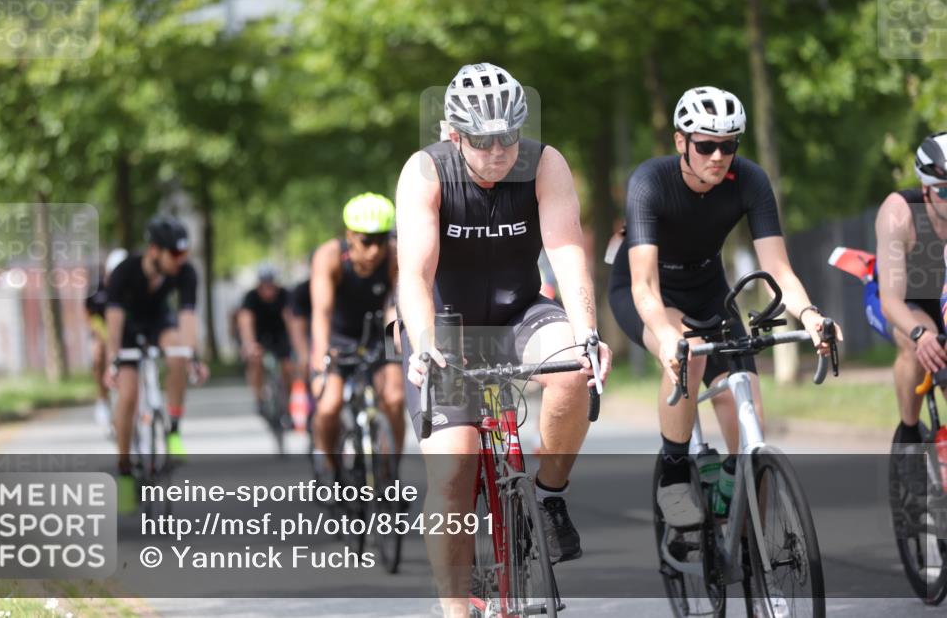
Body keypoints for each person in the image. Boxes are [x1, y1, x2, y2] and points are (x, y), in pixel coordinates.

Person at [396, 62, 611, 616]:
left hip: (519, 312)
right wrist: (424, 341)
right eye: (483, 140)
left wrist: (588, 331)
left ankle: (549, 495)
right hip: (445, 326)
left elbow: (566, 252)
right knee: (452, 467)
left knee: (573, 368)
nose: (498, 152)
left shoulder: (545, 163)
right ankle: (455, 609)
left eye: (508, 137)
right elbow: (415, 275)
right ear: (452, 133)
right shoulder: (426, 171)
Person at [607, 86, 840, 528]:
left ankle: (738, 502)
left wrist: (810, 315)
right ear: (681, 142)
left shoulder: (750, 180)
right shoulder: (650, 182)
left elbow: (778, 270)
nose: (718, 156)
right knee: (688, 355)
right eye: (706, 145)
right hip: (648, 290)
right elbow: (644, 284)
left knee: (746, 407)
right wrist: (667, 332)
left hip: (709, 290)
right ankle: (674, 475)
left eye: (728, 145)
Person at [104, 216, 208, 510]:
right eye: (174, 254)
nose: (181, 260)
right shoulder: (125, 272)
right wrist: (113, 361)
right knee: (127, 396)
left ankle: (173, 429)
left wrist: (193, 357)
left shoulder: (185, 273)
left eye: (184, 253)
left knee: (178, 352)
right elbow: (113, 323)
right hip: (127, 329)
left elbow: (187, 320)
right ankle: (125, 471)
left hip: (159, 323)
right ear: (154, 251)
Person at [309, 193, 405, 474]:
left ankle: (391, 469)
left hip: (378, 336)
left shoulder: (394, 255)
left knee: (395, 398)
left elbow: (396, 306)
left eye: (381, 239)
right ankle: (331, 466)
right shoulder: (329, 257)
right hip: (338, 339)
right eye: (367, 241)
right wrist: (319, 362)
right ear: (350, 235)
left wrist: (397, 347)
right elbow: (322, 312)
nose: (375, 250)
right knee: (329, 407)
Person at [873, 131, 947, 448]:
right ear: (925, 190)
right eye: (945, 191)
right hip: (901, 301)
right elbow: (890, 300)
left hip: (941, 297)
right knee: (923, 347)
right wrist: (920, 335)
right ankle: (909, 434)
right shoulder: (899, 213)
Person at [237, 264, 297, 425]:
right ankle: (259, 399)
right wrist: (249, 344)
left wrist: (295, 344)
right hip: (259, 334)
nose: (268, 290)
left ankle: (287, 404)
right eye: (265, 286)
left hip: (280, 333)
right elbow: (245, 320)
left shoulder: (285, 295)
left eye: (271, 285)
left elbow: (291, 319)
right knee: (255, 360)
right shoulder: (251, 297)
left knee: (287, 366)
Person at [85, 248, 128, 431]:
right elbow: (89, 314)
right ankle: (102, 400)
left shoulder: (135, 286)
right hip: (103, 330)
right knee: (99, 352)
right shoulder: (98, 289)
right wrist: (104, 334)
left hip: (128, 331)